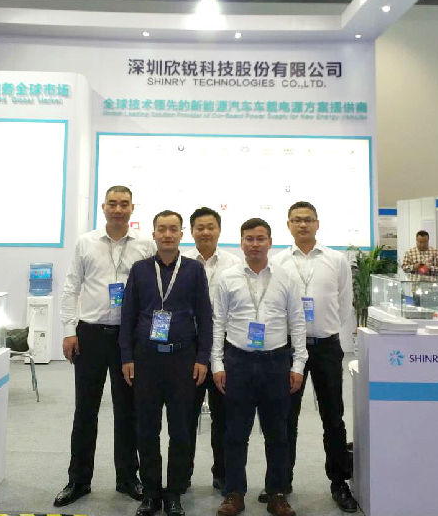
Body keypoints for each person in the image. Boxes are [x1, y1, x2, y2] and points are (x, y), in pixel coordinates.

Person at [55, 185, 156, 508]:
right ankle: (78, 480)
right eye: (113, 203)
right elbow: (71, 287)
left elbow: (152, 290)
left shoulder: (146, 244)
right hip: (91, 335)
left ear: (132, 208)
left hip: (129, 338)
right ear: (103, 207)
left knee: (128, 410)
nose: (118, 209)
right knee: (86, 409)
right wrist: (69, 330)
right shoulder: (86, 242)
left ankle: (128, 478)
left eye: (124, 204)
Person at [119, 210, 213, 516]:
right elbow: (128, 316)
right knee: (147, 429)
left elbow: (205, 317)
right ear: (154, 234)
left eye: (173, 229)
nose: (168, 234)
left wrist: (202, 357)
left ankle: (174, 493)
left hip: (182, 360)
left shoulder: (194, 270)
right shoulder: (140, 270)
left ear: (181, 234)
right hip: (146, 360)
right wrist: (127, 356)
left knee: (180, 430)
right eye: (162, 229)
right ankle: (151, 493)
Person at [213, 218, 307, 516]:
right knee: (235, 433)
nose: (255, 244)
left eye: (260, 238)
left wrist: (298, 364)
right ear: (241, 242)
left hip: (276, 363)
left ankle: (277, 493)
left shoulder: (286, 277)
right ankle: (234, 494)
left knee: (277, 433)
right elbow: (218, 322)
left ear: (270, 242)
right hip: (238, 361)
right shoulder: (227, 277)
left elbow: (298, 322)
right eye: (249, 239)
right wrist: (217, 362)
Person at [270, 202, 357, 513]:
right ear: (288, 225)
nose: (303, 225)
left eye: (308, 220)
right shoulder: (278, 261)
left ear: (317, 224)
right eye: (297, 220)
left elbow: (344, 302)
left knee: (333, 417)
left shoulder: (335, 260)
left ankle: (339, 482)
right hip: (290, 348)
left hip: (326, 347)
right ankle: (281, 482)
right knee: (285, 417)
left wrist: (324, 328)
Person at [183, 206, 241, 492]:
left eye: (211, 227)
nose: (205, 232)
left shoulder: (234, 263)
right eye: (200, 227)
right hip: (189, 348)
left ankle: (223, 473)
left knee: (224, 416)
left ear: (219, 230)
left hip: (225, 348)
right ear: (192, 231)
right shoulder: (181, 262)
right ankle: (183, 474)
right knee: (186, 415)